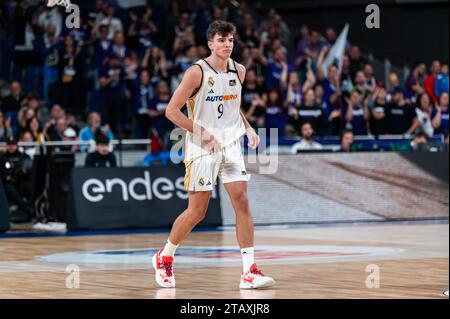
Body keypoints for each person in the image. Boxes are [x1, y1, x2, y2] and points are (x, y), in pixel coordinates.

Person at [153, 20, 275, 289]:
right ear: (210, 44)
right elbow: (171, 111)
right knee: (197, 211)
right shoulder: (196, 73)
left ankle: (249, 270)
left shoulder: (239, 70)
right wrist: (202, 134)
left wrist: (248, 126)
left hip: (231, 145)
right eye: (221, 40)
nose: (227, 44)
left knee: (242, 202)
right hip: (201, 146)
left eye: (230, 40)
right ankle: (164, 256)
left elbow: (232, 105)